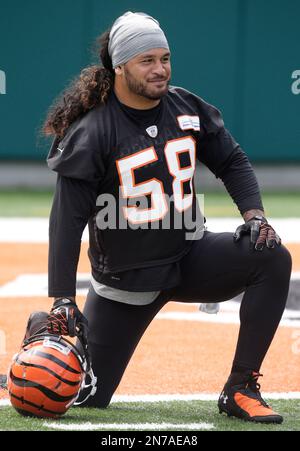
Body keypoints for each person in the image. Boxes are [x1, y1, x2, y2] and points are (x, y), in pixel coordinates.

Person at [43, 11, 292, 423]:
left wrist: (255, 215)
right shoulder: (95, 130)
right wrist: (62, 297)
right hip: (127, 280)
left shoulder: (184, 107)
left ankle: (241, 387)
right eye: (147, 60)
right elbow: (66, 223)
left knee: (270, 256)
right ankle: (27, 366)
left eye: (165, 58)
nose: (160, 69)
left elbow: (231, 160)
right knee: (80, 395)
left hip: (188, 256)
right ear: (119, 66)